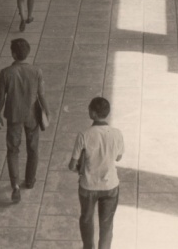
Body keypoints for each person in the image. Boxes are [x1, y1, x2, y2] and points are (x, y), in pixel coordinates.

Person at [0, 38, 50, 204]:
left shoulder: (6, 73)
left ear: (13, 54)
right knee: (33, 148)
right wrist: (47, 111)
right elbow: (41, 95)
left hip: (13, 116)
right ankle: (30, 180)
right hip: (32, 116)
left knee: (13, 150)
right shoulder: (36, 71)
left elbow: (1, 97)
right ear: (28, 53)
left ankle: (15, 186)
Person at [69, 97, 124, 249]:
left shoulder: (84, 135)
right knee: (106, 224)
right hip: (110, 186)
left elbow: (72, 165)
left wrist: (79, 169)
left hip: (88, 187)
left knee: (86, 219)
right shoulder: (117, 134)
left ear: (93, 113)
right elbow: (119, 157)